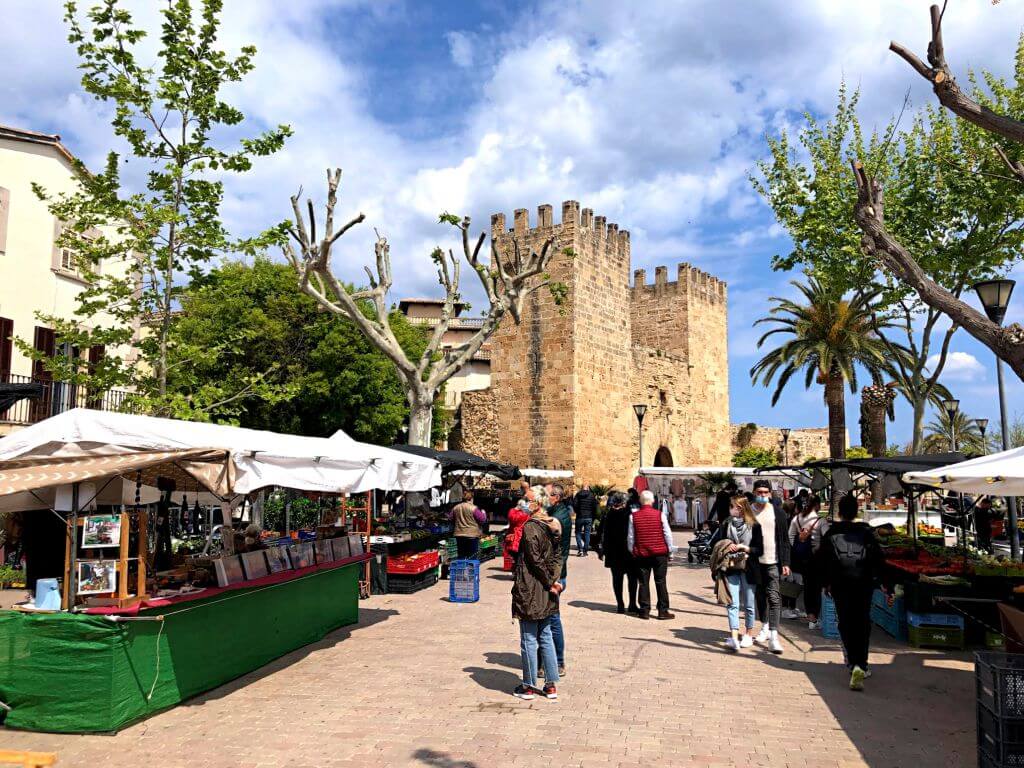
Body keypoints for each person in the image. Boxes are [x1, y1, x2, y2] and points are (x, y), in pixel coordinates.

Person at [820, 493, 884, 692]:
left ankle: (851, 661)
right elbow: (878, 560)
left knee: (845, 621)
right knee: (862, 622)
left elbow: (823, 562)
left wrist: (826, 583)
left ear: (839, 511)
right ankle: (861, 664)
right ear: (857, 511)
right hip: (863, 584)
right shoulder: (866, 532)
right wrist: (881, 582)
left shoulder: (831, 533)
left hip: (840, 585)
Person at [511, 496, 564, 700]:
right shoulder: (552, 526)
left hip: (533, 587)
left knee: (529, 638)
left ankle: (529, 686)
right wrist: (554, 580)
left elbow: (534, 560)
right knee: (546, 635)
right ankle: (550, 685)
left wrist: (549, 581)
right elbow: (558, 557)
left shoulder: (532, 527)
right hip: (546, 587)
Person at [751, 479, 790, 654]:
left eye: (765, 492)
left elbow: (784, 540)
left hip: (773, 562)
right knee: (760, 596)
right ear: (754, 492)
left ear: (770, 493)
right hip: (754, 562)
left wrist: (786, 562)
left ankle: (774, 636)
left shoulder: (778, 513)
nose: (762, 495)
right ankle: (765, 626)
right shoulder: (748, 512)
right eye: (759, 492)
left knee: (774, 597)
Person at [627, 489, 675, 620]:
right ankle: (663, 610)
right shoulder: (660, 515)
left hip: (642, 554)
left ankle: (644, 610)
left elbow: (631, 537)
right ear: (653, 501)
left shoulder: (633, 516)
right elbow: (667, 534)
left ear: (640, 501)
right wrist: (670, 551)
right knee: (660, 581)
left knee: (643, 582)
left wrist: (633, 551)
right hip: (659, 553)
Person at [722, 496, 762, 651]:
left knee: (749, 604)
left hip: (749, 567)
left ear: (743, 508)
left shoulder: (754, 525)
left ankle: (748, 633)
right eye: (732, 506)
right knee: (732, 603)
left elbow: (760, 549)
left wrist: (746, 548)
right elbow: (718, 543)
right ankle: (733, 637)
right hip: (731, 566)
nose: (733, 509)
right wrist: (728, 545)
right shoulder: (727, 523)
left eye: (736, 507)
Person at [789, 494, 826, 630]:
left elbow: (790, 536)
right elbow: (827, 537)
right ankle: (814, 617)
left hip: (802, 559)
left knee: (807, 587)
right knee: (816, 588)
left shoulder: (797, 519)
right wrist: (817, 547)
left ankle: (810, 616)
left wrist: (799, 546)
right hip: (816, 559)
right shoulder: (820, 521)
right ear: (816, 505)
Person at [597, 491, 638, 613]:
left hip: (613, 551)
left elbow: (602, 533)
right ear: (624, 502)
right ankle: (632, 604)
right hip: (628, 551)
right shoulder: (629, 514)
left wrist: (602, 550)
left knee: (617, 579)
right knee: (632, 578)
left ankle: (620, 604)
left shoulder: (607, 515)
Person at [547, 484, 572, 676]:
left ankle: (558, 661)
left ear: (556, 497)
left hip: (554, 572)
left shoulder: (556, 517)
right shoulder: (559, 512)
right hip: (556, 570)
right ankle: (549, 659)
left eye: (548, 495)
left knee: (552, 618)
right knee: (548, 617)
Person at [451, 491, 485, 558]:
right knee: (472, 556)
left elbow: (450, 518)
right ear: (472, 498)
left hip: (459, 535)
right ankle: (470, 568)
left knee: (461, 555)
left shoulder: (456, 507)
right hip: (472, 535)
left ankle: (461, 568)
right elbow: (482, 519)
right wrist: (484, 513)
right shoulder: (474, 508)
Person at [573, 485, 598, 556]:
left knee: (578, 533)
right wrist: (593, 516)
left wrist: (578, 512)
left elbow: (574, 504)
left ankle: (580, 549)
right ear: (588, 489)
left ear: (582, 488)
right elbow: (595, 507)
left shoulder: (578, 494)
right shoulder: (592, 495)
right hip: (589, 517)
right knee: (587, 533)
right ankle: (585, 551)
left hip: (580, 516)